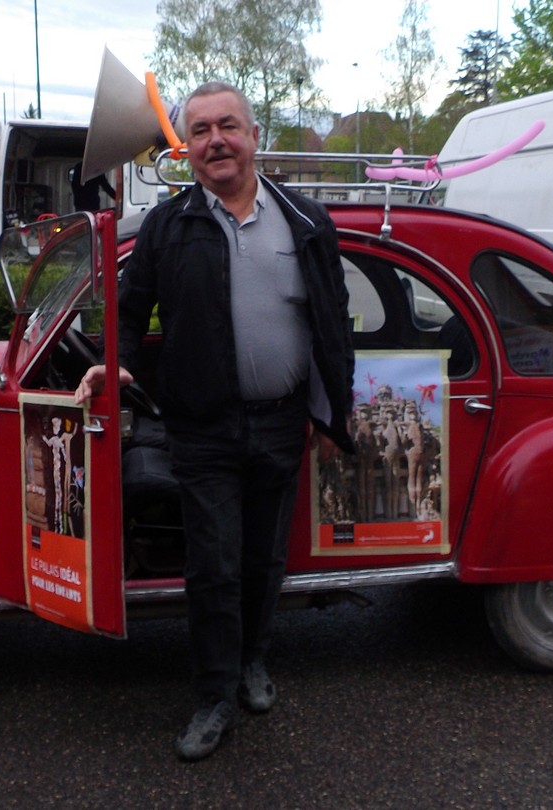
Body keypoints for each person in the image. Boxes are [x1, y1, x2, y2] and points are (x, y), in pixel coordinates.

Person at [74, 82, 354, 761]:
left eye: (227, 125)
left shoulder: (306, 220)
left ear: (254, 135)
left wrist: (328, 408)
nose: (215, 140)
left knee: (263, 560)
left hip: (284, 422)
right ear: (187, 148)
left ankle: (254, 661)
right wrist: (114, 364)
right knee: (213, 569)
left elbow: (331, 316)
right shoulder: (169, 227)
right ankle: (214, 696)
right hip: (202, 428)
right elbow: (131, 309)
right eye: (199, 131)